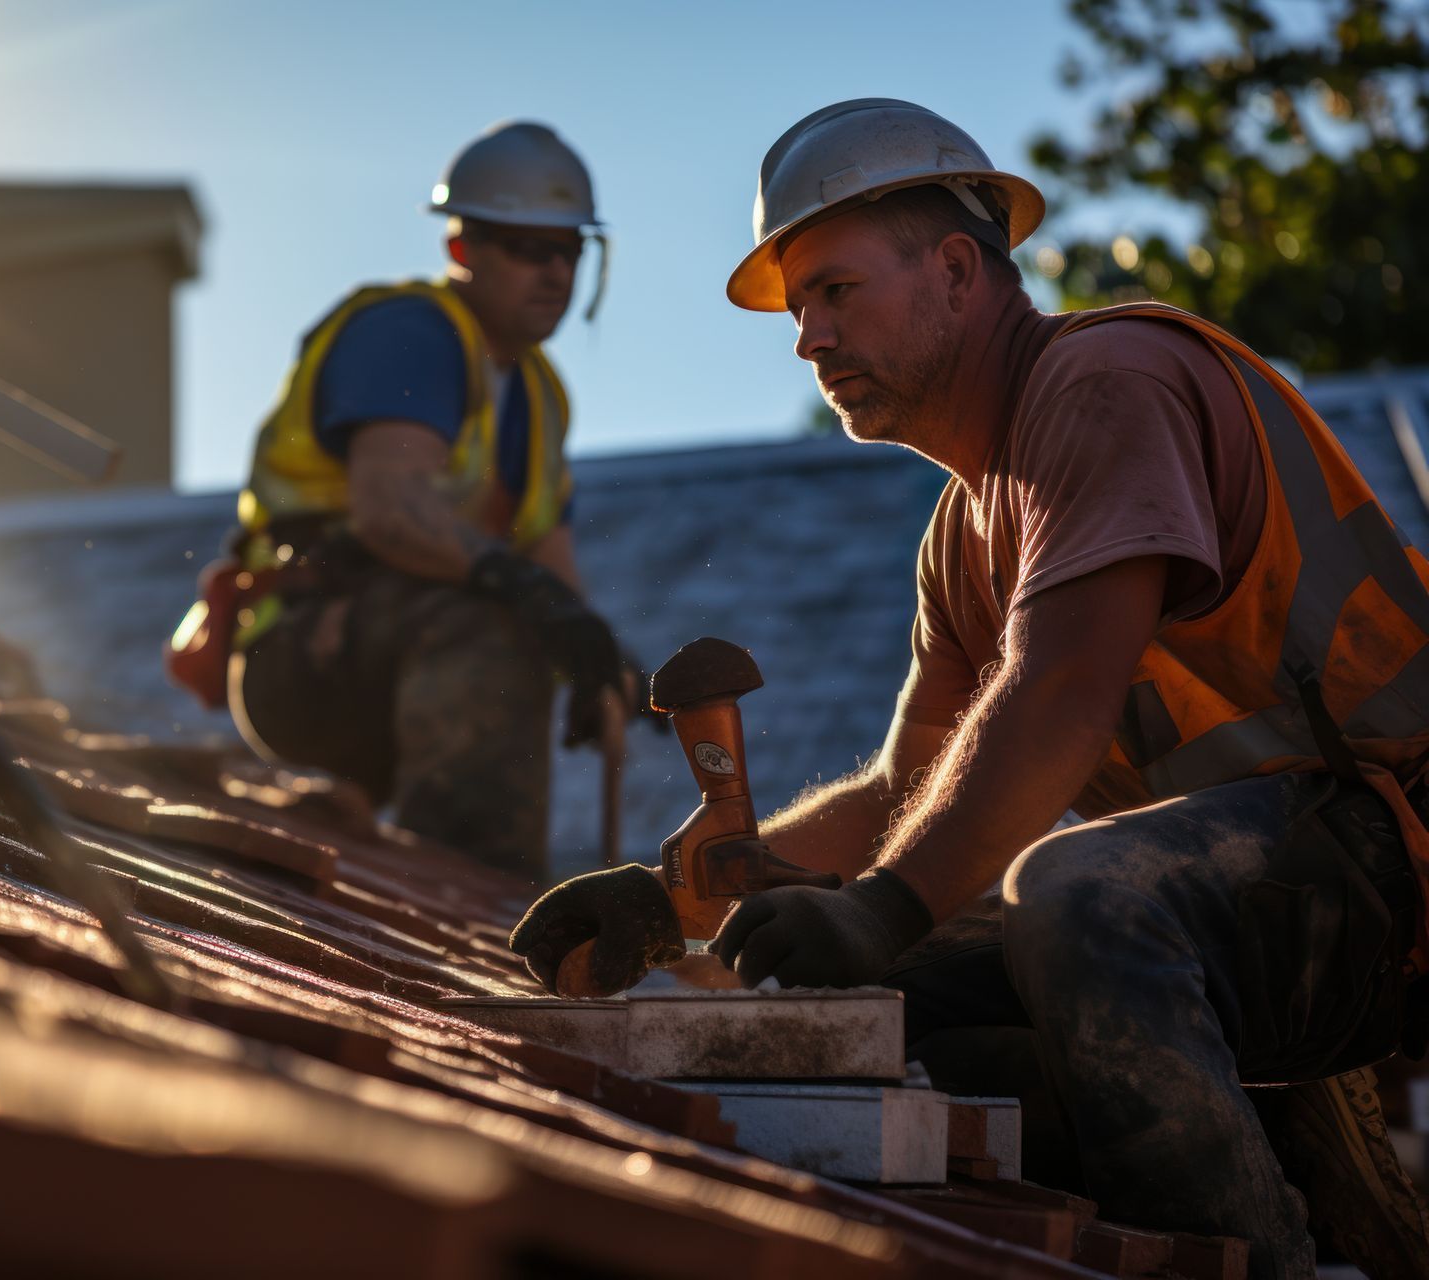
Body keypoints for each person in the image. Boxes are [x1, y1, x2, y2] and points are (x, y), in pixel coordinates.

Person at [511, 99, 1429, 1277]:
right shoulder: (964, 529)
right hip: (1279, 894)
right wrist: (670, 900)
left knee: (1075, 890)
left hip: (1396, 844)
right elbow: (911, 789)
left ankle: (1259, 1259)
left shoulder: (1110, 382)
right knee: (864, 1005)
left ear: (955, 270)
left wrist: (887, 904)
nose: (808, 338)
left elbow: (1055, 693)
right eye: (797, 308)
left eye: (836, 291)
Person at [199, 121, 641, 882]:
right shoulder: (410, 332)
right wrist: (532, 597)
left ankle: (479, 899)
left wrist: (605, 664)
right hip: (306, 654)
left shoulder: (540, 397)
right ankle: (479, 899)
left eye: (569, 249)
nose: (554, 272)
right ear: (461, 249)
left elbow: (549, 563)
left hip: (405, 651)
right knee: (497, 621)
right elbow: (389, 509)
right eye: (527, 249)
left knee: (536, 628)